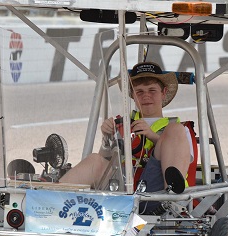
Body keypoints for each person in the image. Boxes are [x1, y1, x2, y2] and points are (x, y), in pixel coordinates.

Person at [60, 62, 193, 213]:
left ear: (163, 92)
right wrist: (107, 138)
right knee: (94, 159)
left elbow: (184, 159)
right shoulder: (122, 122)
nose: (146, 96)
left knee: (175, 130)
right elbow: (105, 162)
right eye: (139, 92)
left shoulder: (177, 128)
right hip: (120, 188)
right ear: (132, 96)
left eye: (152, 90)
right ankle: (50, 200)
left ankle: (172, 200)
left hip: (156, 192)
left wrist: (152, 136)